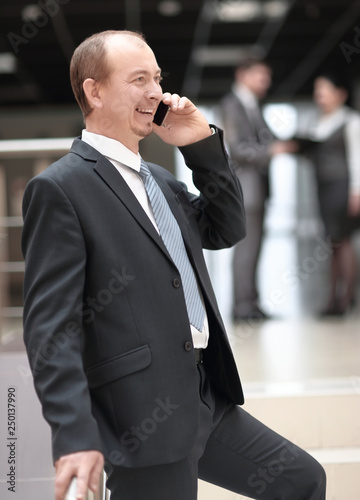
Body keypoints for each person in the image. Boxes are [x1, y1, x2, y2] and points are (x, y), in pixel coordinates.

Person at [21, 30, 326, 500]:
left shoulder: (160, 181)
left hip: (203, 398)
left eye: (157, 79)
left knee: (302, 481)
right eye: (138, 79)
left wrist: (201, 146)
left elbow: (226, 229)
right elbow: (51, 328)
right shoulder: (61, 189)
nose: (156, 92)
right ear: (94, 91)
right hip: (140, 417)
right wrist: (75, 435)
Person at [220, 57, 297, 321]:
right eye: (261, 75)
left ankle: (251, 303)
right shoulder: (231, 105)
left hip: (259, 189)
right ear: (242, 74)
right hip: (246, 189)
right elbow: (238, 149)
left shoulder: (253, 105)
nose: (266, 81)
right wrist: (271, 150)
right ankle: (241, 307)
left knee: (255, 249)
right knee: (246, 249)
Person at [299, 74, 360, 315]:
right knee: (332, 242)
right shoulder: (317, 122)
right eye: (317, 90)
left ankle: (345, 299)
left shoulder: (351, 121)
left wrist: (356, 191)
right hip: (323, 188)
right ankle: (333, 298)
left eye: (325, 90)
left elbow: (357, 158)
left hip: (342, 187)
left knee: (342, 240)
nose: (320, 96)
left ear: (340, 94)